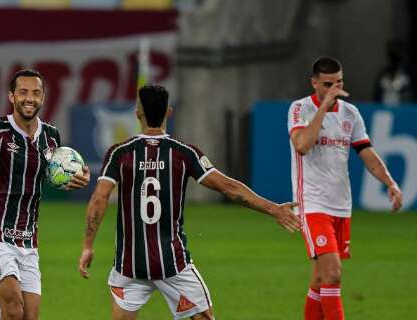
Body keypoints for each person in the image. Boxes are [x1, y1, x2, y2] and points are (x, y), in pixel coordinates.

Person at [78, 84, 302, 320]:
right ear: (169, 112)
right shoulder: (184, 153)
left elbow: (99, 199)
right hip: (172, 263)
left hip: (130, 266)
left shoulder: (119, 153)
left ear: (137, 113)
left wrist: (87, 245)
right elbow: (229, 188)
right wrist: (274, 209)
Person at [0, 69, 91, 320]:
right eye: (23, 92)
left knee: (28, 317)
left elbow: (52, 174)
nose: (29, 98)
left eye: (35, 92)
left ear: (43, 97)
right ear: (12, 97)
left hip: (28, 238)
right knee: (13, 311)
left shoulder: (51, 136)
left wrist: (77, 179)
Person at [288, 57, 404, 320]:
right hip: (313, 203)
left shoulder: (350, 113)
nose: (335, 90)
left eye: (339, 83)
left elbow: (368, 153)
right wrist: (324, 108)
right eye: (328, 85)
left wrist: (391, 184)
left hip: (341, 205)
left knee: (319, 279)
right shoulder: (300, 109)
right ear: (314, 83)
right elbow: (302, 145)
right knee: (333, 273)